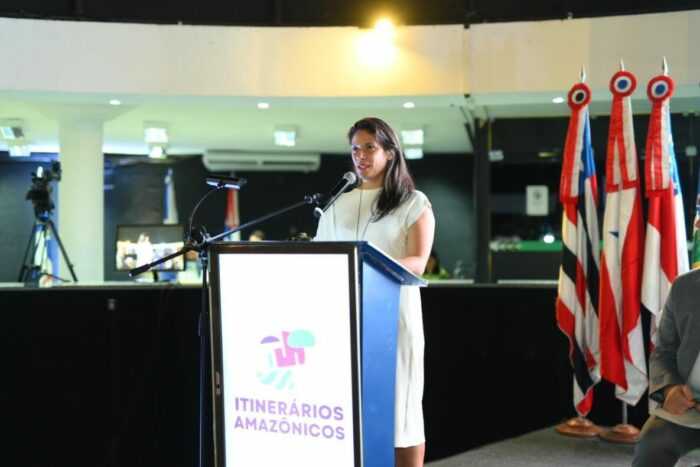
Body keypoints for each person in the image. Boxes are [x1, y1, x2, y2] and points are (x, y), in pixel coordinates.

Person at [314, 117, 435, 467]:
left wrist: (368, 264)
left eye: (369, 147)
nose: (360, 155)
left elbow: (418, 261)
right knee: (350, 412)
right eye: (355, 148)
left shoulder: (412, 202)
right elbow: (322, 258)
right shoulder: (335, 204)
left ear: (390, 152)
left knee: (401, 413)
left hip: (393, 320)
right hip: (343, 320)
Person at [632, 268, 700, 467]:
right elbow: (664, 352)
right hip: (687, 407)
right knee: (653, 443)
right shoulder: (683, 286)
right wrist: (670, 390)